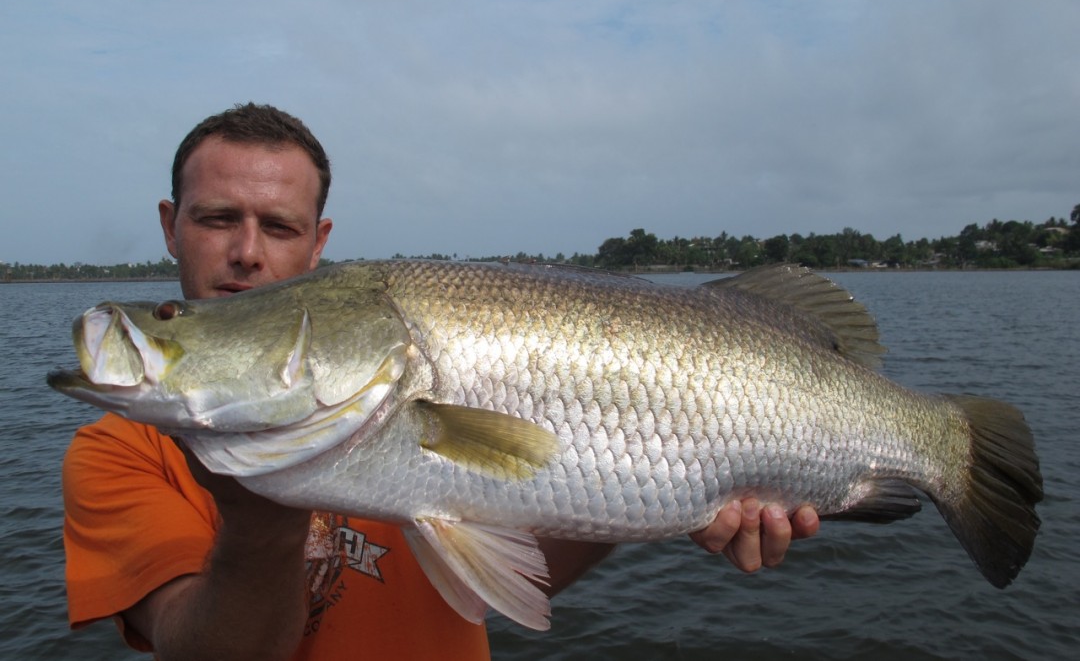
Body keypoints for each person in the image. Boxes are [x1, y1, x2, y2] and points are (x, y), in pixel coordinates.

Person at [62, 103, 820, 660]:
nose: (247, 253)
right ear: (171, 225)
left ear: (321, 243)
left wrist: (668, 499)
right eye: (218, 218)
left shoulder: (375, 399)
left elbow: (509, 575)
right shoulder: (115, 455)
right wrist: (259, 516)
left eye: (281, 226)